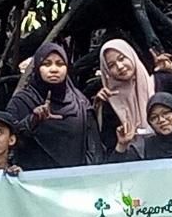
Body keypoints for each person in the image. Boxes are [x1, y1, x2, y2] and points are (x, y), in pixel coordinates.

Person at [6, 42, 103, 170]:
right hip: (32, 183)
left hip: (75, 182)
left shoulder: (81, 104)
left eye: (60, 64)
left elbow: (94, 149)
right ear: (37, 68)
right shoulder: (21, 102)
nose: (54, 69)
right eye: (46, 64)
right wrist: (32, 120)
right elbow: (6, 141)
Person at [95, 39, 172, 153]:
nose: (119, 66)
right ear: (107, 71)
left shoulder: (160, 81)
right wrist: (98, 108)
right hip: (134, 164)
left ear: (131, 56)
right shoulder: (110, 100)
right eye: (111, 65)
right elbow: (109, 147)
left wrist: (171, 67)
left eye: (122, 58)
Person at [111, 92, 172, 162]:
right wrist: (121, 145)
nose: (161, 120)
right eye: (154, 117)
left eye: (166, 113)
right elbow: (113, 174)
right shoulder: (143, 148)